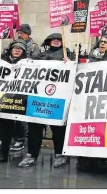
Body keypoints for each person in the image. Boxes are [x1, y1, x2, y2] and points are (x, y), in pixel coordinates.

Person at [18, 33, 71, 168]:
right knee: (35, 127)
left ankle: (60, 154)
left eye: (59, 39)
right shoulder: (40, 55)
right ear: (48, 41)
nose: (56, 41)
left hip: (57, 98)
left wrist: (69, 62)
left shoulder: (68, 55)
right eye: (53, 39)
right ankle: (31, 155)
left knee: (58, 128)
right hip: (39, 97)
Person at [76, 35, 107, 176]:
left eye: (105, 42)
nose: (102, 44)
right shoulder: (89, 59)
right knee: (87, 128)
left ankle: (100, 160)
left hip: (104, 100)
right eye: (101, 42)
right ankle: (85, 160)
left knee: (101, 129)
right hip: (88, 98)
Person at [0, 40, 27, 162]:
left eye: (20, 49)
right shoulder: (1, 61)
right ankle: (3, 150)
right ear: (11, 49)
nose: (17, 50)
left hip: (18, 100)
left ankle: (7, 150)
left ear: (23, 51)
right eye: (15, 48)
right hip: (3, 98)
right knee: (3, 125)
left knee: (12, 125)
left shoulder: (28, 63)